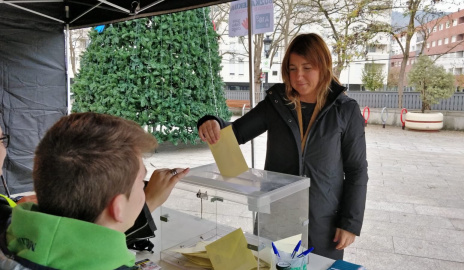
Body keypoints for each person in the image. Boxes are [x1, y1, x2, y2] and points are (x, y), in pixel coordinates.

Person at [197, 33, 368, 260]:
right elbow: (236, 133)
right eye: (292, 68)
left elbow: (356, 170)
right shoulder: (277, 102)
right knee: (272, 264)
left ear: (323, 66)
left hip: (323, 220)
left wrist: (350, 222)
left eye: (307, 68)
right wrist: (212, 123)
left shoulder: (345, 110)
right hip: (277, 215)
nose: (298, 76)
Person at [0, 112, 189, 269]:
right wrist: (150, 202)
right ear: (118, 208)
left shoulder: (8, 238)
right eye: (141, 182)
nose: (144, 186)